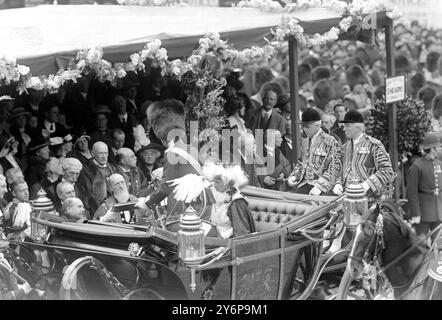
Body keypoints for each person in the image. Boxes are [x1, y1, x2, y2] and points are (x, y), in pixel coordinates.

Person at [135, 99, 200, 217]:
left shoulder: (173, 153)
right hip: (200, 201)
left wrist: (146, 203)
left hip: (187, 205)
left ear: (162, 136)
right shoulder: (190, 148)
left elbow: (165, 188)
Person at [332, 110, 395, 198]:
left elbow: (386, 170)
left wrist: (366, 185)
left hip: (369, 199)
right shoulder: (345, 147)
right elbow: (340, 169)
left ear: (358, 127)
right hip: (347, 197)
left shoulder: (373, 145)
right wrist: (338, 183)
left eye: (347, 126)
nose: (344, 128)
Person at [287, 108, 341, 195]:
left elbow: (335, 167)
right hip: (304, 184)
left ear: (317, 125)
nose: (304, 129)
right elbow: (301, 162)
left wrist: (320, 187)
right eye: (303, 126)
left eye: (307, 126)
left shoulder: (330, 141)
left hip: (323, 187)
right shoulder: (305, 141)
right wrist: (294, 176)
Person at [199, 162, 256, 239]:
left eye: (217, 182)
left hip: (229, 243)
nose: (213, 185)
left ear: (227, 184)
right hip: (214, 240)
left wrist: (222, 237)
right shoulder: (217, 198)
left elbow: (240, 231)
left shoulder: (237, 202)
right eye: (213, 181)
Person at [406, 132, 442, 239]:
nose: (440, 149)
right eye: (438, 147)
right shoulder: (417, 166)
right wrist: (416, 213)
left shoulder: (439, 164)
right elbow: (411, 192)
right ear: (432, 148)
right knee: (421, 246)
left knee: (438, 246)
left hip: (439, 212)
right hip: (423, 214)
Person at [85, 142, 117, 209]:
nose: (104, 156)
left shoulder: (112, 167)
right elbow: (89, 193)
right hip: (97, 207)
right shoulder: (86, 170)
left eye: (106, 153)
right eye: (100, 153)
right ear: (92, 154)